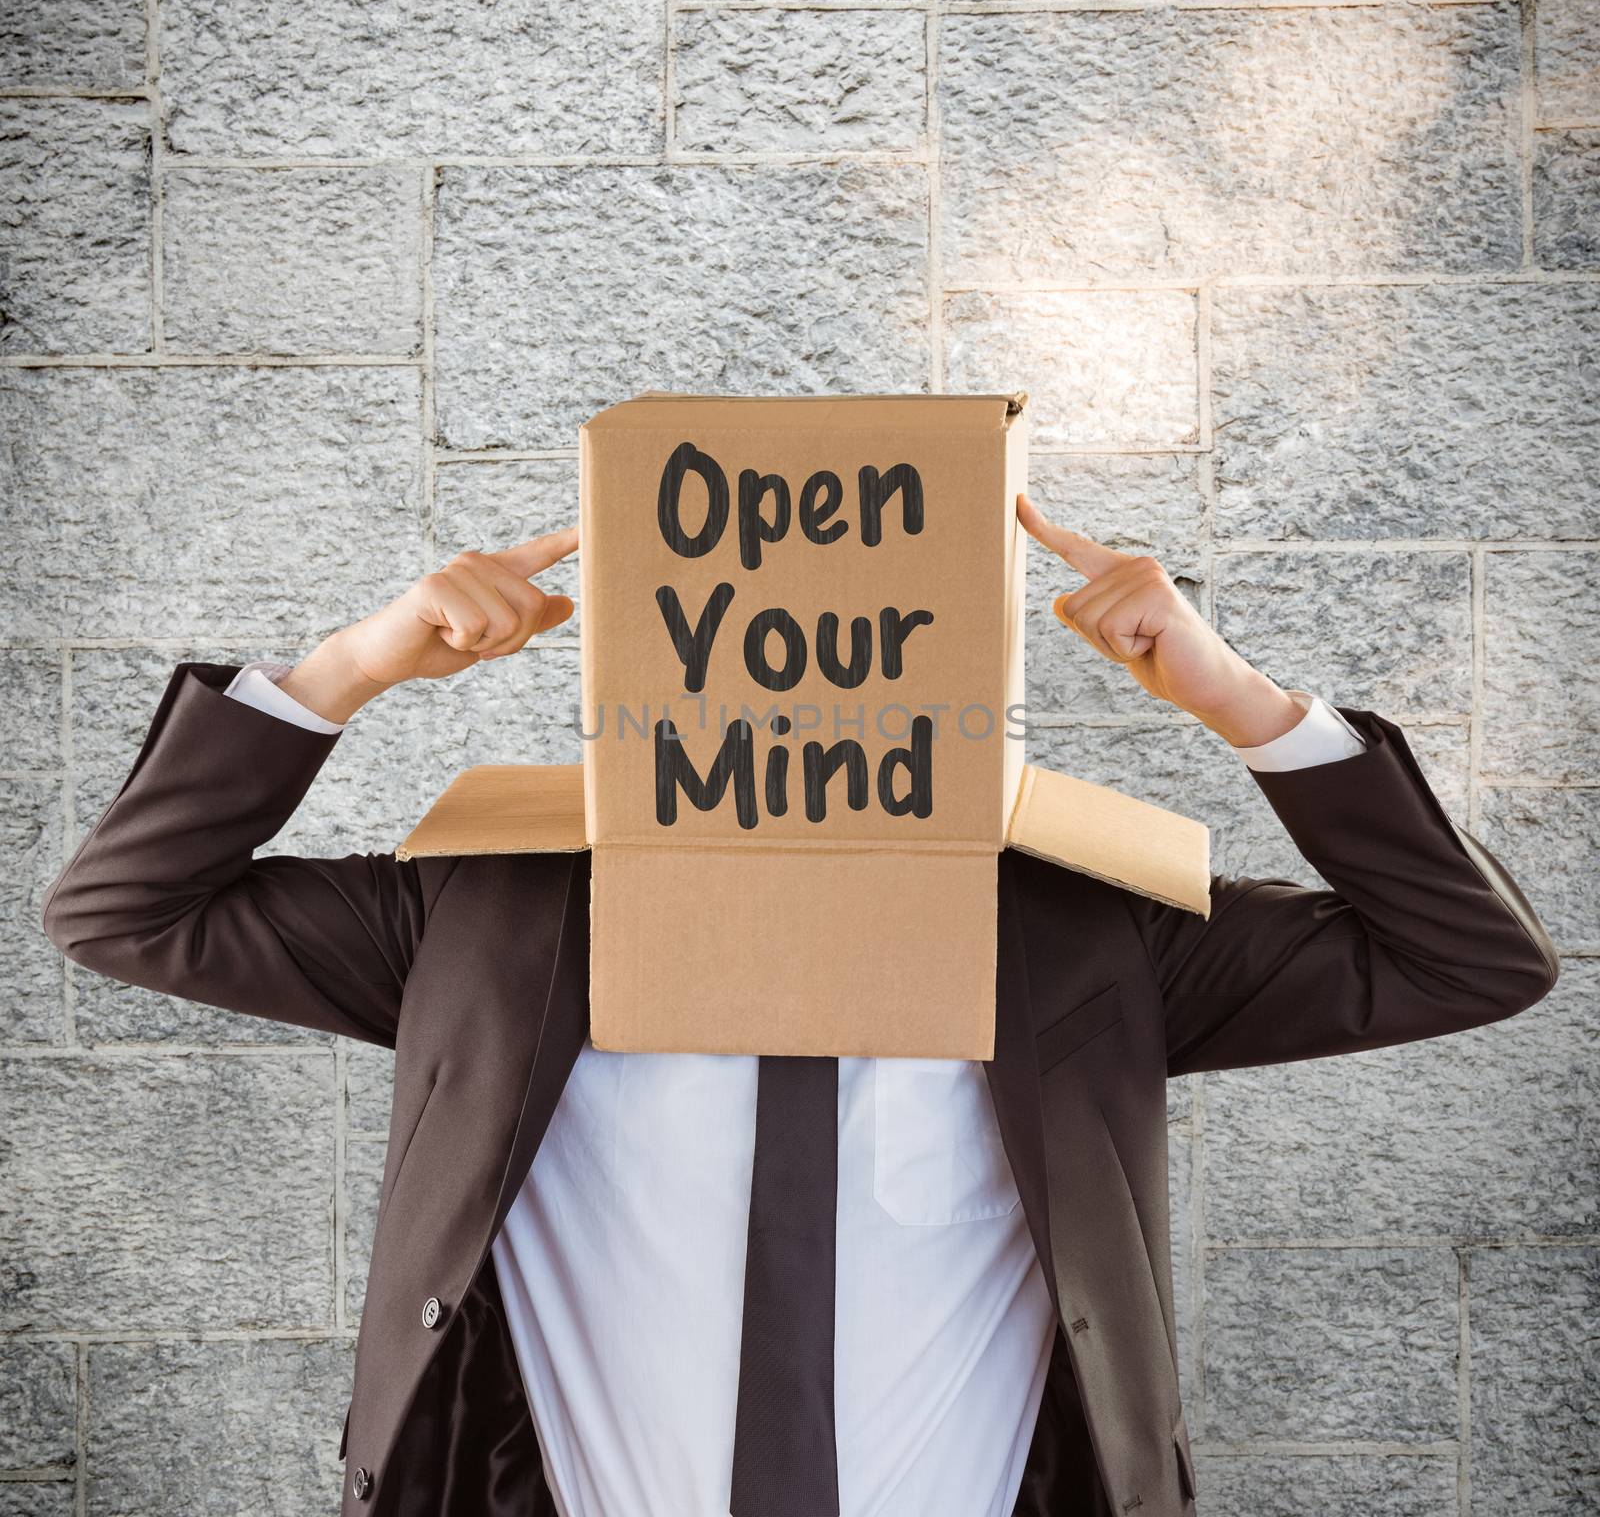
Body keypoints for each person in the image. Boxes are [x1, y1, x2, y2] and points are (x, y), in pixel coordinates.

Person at [41, 494, 1559, 1517]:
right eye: (749, 659)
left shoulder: (1076, 930)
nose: (802, 699)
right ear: (650, 678)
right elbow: (124, 911)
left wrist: (1239, 700)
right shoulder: (491, 911)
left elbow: (1465, 958)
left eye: (860, 656)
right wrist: (354, 666)